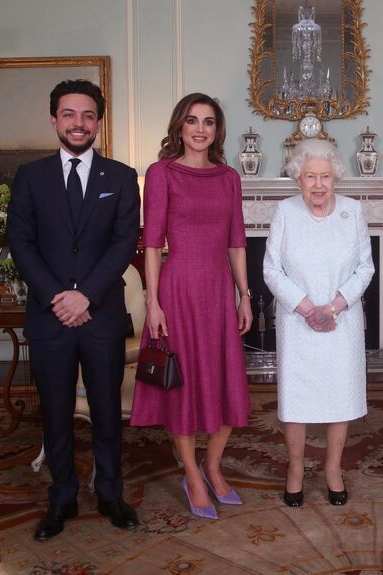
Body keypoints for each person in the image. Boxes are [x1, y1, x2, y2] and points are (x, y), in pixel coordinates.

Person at [7, 79, 141, 540]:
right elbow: (21, 243)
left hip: (100, 314)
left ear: (99, 124)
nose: (78, 123)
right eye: (69, 114)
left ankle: (110, 493)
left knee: (106, 412)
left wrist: (86, 295)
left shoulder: (122, 177)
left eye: (87, 115)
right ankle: (61, 496)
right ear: (54, 120)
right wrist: (58, 298)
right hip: (50, 318)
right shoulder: (30, 176)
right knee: (56, 412)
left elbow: (125, 242)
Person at [130, 93, 252, 520]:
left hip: (219, 293)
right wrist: (154, 302)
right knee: (181, 389)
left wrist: (245, 295)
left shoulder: (228, 177)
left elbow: (237, 241)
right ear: (179, 126)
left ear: (217, 130)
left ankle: (213, 467)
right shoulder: (161, 173)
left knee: (225, 383)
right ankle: (193, 477)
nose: (201, 129)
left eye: (209, 122)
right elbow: (151, 244)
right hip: (178, 291)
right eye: (193, 121)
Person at [263, 139, 374, 507]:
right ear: (297, 178)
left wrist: (336, 305)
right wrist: (308, 308)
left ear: (335, 178)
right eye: (309, 176)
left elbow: (365, 267)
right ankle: (295, 470)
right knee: (297, 399)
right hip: (298, 324)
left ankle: (332, 469)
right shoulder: (284, 212)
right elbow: (271, 270)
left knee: (339, 397)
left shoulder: (353, 211)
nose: (318, 185)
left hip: (341, 323)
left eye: (325, 176)